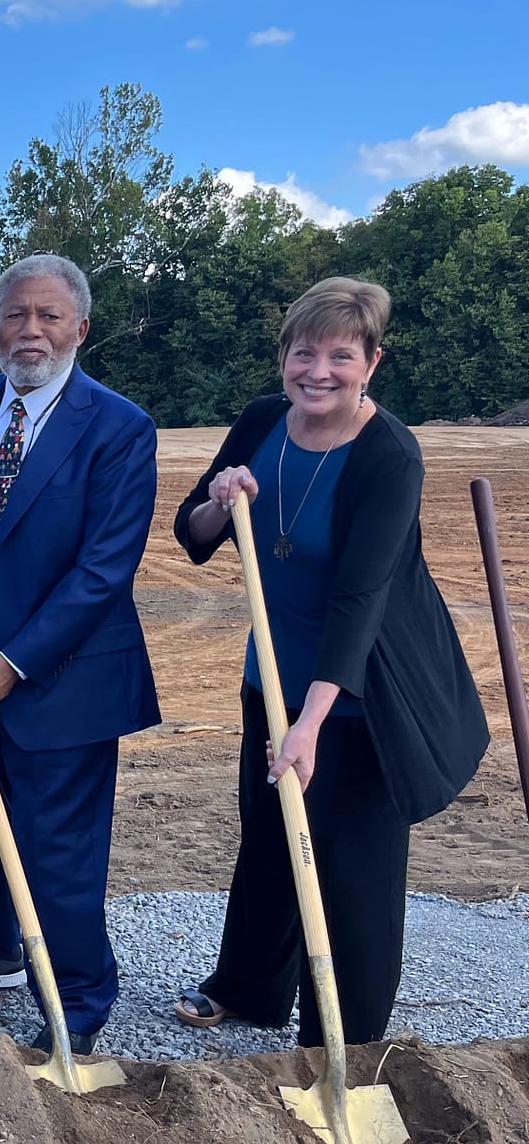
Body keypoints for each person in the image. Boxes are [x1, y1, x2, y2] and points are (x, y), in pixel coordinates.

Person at [171, 277, 487, 1046]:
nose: (318, 370)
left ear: (371, 362)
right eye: (303, 351)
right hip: (270, 674)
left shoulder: (389, 456)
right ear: (284, 357)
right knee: (270, 833)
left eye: (340, 355)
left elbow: (360, 602)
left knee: (353, 869)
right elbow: (194, 532)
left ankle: (343, 1037)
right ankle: (248, 989)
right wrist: (222, 496)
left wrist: (309, 723)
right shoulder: (259, 423)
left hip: (366, 690)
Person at [0, 252, 160, 1055]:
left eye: (50, 316)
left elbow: (104, 571)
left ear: (81, 327)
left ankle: (78, 998)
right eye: (17, 314)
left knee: (58, 840)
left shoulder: (119, 427)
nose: (31, 330)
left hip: (59, 669)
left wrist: (15, 662)